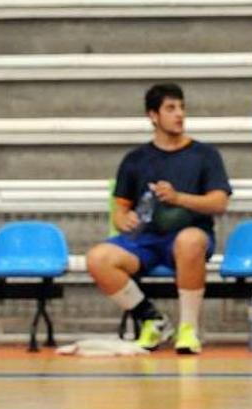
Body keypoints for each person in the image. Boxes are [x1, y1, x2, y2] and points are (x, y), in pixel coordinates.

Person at [86, 83, 231, 355]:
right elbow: (120, 208)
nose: (179, 114)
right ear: (153, 115)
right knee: (97, 258)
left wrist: (179, 198)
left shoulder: (205, 155)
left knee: (189, 241)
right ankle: (152, 319)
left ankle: (188, 329)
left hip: (189, 235)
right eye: (170, 108)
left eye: (182, 107)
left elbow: (219, 202)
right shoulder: (135, 159)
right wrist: (123, 220)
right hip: (145, 240)